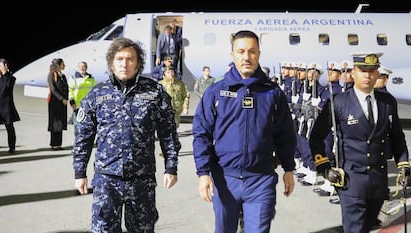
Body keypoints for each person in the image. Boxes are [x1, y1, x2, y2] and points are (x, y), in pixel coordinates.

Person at [73, 37, 180, 233]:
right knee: (104, 229)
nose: (124, 64)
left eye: (130, 59)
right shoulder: (97, 94)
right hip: (106, 179)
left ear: (138, 63)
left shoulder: (154, 92)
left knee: (142, 230)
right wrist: (80, 173)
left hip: (142, 179)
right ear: (111, 62)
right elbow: (83, 137)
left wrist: (171, 166)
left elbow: (168, 132)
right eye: (119, 58)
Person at [192, 30, 296, 233]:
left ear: (259, 53)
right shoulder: (216, 92)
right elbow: (201, 133)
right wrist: (203, 173)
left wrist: (289, 169)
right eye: (241, 51)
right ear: (232, 54)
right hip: (225, 178)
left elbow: (285, 134)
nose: (246, 57)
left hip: (261, 179)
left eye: (252, 51)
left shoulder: (273, 93)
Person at [309, 51, 409, 233]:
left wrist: (403, 164)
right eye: (363, 71)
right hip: (350, 181)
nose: (368, 75)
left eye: (372, 71)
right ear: (353, 72)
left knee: (367, 226)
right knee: (354, 229)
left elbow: (397, 137)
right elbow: (316, 136)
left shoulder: (387, 102)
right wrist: (324, 167)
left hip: (378, 182)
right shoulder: (339, 102)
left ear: (378, 73)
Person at [0, 58, 20, 154]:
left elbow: (8, 85)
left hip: (6, 108)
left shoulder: (10, 77)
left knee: (10, 128)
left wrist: (4, 72)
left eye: (3, 65)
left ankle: (12, 147)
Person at [68, 61, 97, 136]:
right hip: (77, 105)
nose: (82, 68)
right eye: (80, 66)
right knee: (77, 125)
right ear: (78, 68)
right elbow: (70, 91)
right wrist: (72, 102)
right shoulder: (73, 78)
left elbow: (96, 90)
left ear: (86, 68)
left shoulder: (91, 78)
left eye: (83, 66)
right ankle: (77, 142)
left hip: (88, 105)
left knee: (88, 124)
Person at [47, 58, 68, 150]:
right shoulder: (52, 75)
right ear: (58, 65)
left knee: (60, 123)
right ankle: (53, 144)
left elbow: (66, 88)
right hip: (55, 102)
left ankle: (59, 144)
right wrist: (61, 98)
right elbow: (53, 89)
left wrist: (66, 98)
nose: (64, 65)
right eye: (63, 64)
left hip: (62, 103)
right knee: (55, 123)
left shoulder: (62, 76)